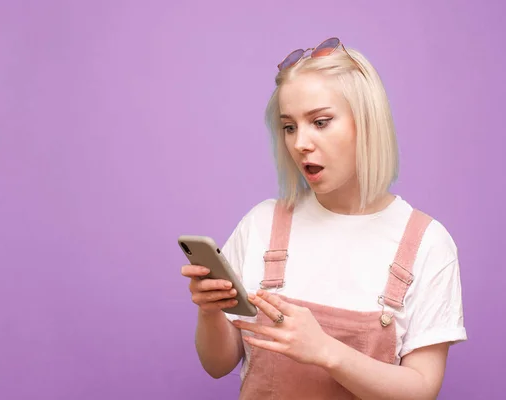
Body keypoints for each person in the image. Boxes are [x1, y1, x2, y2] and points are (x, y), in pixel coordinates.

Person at [181, 37, 467, 400]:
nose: (301, 143)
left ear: (367, 123)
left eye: (320, 122)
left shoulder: (427, 243)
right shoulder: (261, 225)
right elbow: (217, 364)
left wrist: (327, 352)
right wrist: (209, 313)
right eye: (289, 126)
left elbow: (421, 390)